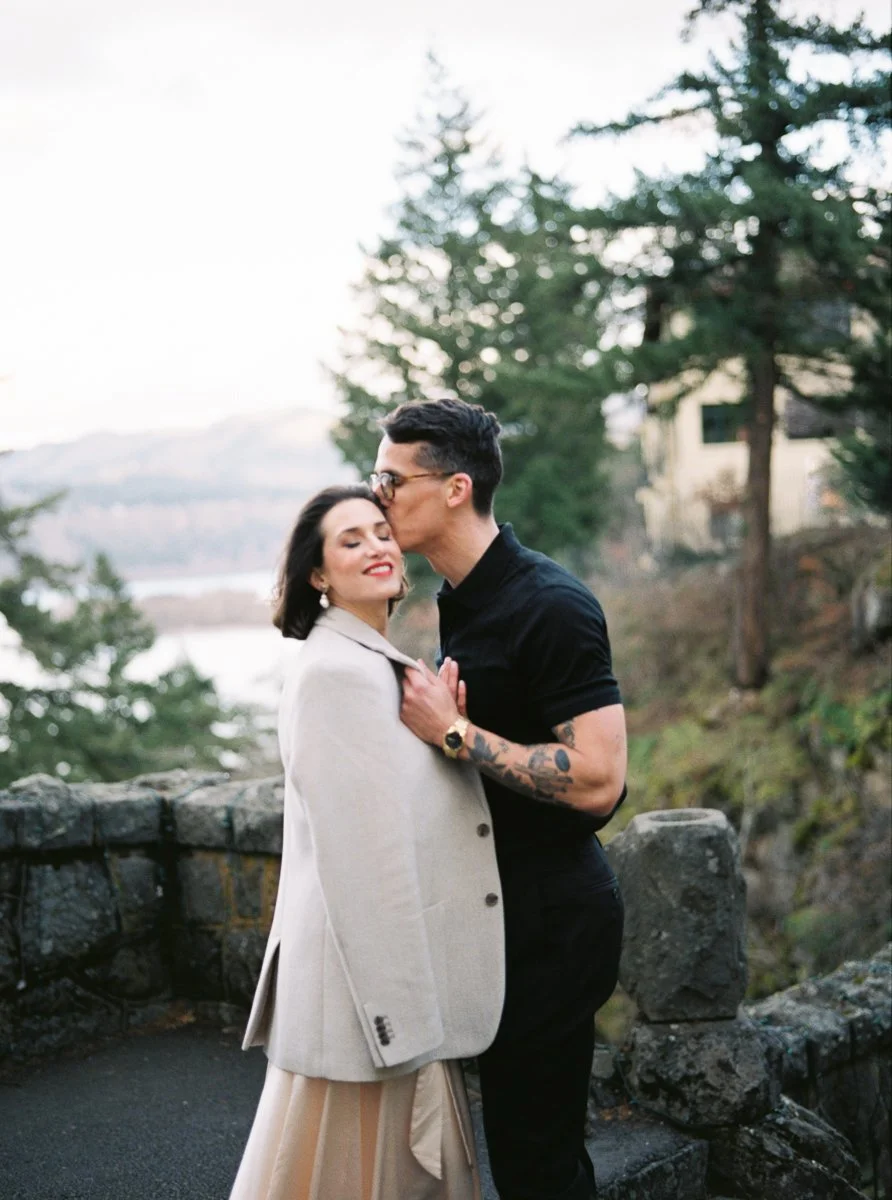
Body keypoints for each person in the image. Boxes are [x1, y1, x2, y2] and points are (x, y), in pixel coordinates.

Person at [371, 400, 627, 1200]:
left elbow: (599, 778)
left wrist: (454, 734)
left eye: (389, 478)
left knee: (538, 1160)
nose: (376, 496)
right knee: (519, 1149)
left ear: (454, 487)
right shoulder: (463, 597)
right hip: (499, 914)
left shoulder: (548, 602)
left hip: (554, 920)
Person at [230, 483, 505, 1200]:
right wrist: (408, 1026)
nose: (377, 547)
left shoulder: (372, 663)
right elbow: (364, 865)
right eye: (350, 541)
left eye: (381, 532)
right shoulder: (336, 674)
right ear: (317, 575)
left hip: (380, 989)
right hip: (372, 999)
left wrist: (445, 737)